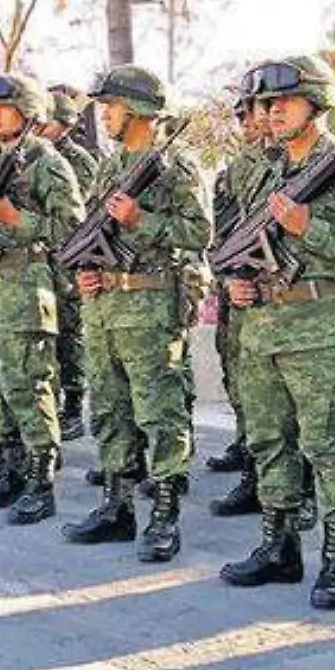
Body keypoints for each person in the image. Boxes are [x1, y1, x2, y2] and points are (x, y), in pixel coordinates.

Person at [219, 55, 335, 611]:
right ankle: (279, 546)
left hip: (319, 327)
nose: (271, 112)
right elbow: (243, 242)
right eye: (266, 104)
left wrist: (306, 225)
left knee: (328, 447)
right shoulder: (260, 168)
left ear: (316, 102)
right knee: (268, 440)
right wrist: (239, 282)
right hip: (262, 326)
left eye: (283, 102)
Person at [63, 65, 209, 561]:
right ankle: (116, 505)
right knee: (109, 409)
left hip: (150, 307)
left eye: (112, 106)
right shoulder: (109, 165)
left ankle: (165, 516)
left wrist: (141, 219)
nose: (105, 115)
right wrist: (87, 273)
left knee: (159, 415)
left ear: (139, 110)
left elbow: (199, 233)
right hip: (105, 306)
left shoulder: (176, 166)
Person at [0, 72, 83, 525]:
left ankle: (40, 479)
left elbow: (72, 231)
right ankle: (5, 469)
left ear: (27, 112)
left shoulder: (47, 163)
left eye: (2, 107)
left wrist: (15, 217)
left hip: (26, 287)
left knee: (26, 385)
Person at [204, 83, 270, 514]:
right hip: (239, 289)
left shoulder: (311, 164)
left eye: (255, 112)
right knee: (245, 385)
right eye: (243, 115)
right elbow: (221, 232)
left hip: (289, 300)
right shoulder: (236, 171)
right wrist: (225, 275)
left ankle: (288, 489)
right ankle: (253, 462)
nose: (248, 122)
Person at [44, 83, 98, 441]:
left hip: (69, 258)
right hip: (43, 260)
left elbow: (88, 213)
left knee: (71, 333)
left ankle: (75, 405)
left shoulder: (78, 160)